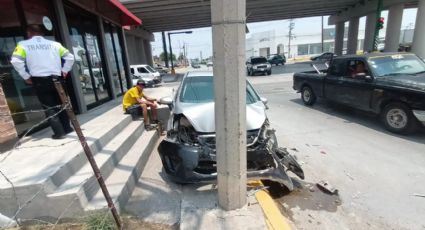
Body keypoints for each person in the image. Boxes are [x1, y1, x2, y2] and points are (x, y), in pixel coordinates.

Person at [10, 25, 75, 139]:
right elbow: (70, 57)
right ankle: (67, 128)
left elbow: (15, 60)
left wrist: (26, 76)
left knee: (49, 107)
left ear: (29, 33)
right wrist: (64, 71)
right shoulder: (55, 44)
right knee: (62, 103)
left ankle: (59, 133)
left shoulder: (23, 45)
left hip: (40, 80)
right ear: (42, 33)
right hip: (57, 78)